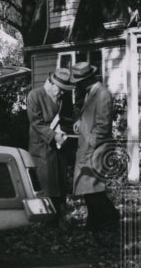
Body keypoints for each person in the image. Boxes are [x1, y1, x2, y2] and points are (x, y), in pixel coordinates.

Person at [68, 61, 120, 234]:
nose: (77, 85)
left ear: (86, 79)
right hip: (88, 147)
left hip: (95, 149)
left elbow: (103, 127)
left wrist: (89, 144)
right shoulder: (90, 92)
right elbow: (84, 114)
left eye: (78, 81)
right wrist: (78, 122)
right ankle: (94, 225)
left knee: (94, 191)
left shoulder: (102, 95)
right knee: (89, 190)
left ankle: (112, 219)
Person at [26, 69, 73, 219]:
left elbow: (67, 117)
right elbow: (36, 123)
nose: (63, 93)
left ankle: (60, 219)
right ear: (51, 83)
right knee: (46, 185)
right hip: (42, 147)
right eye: (60, 89)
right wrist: (54, 136)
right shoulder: (35, 95)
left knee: (60, 184)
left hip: (60, 147)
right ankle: (45, 221)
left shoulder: (63, 97)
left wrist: (68, 129)